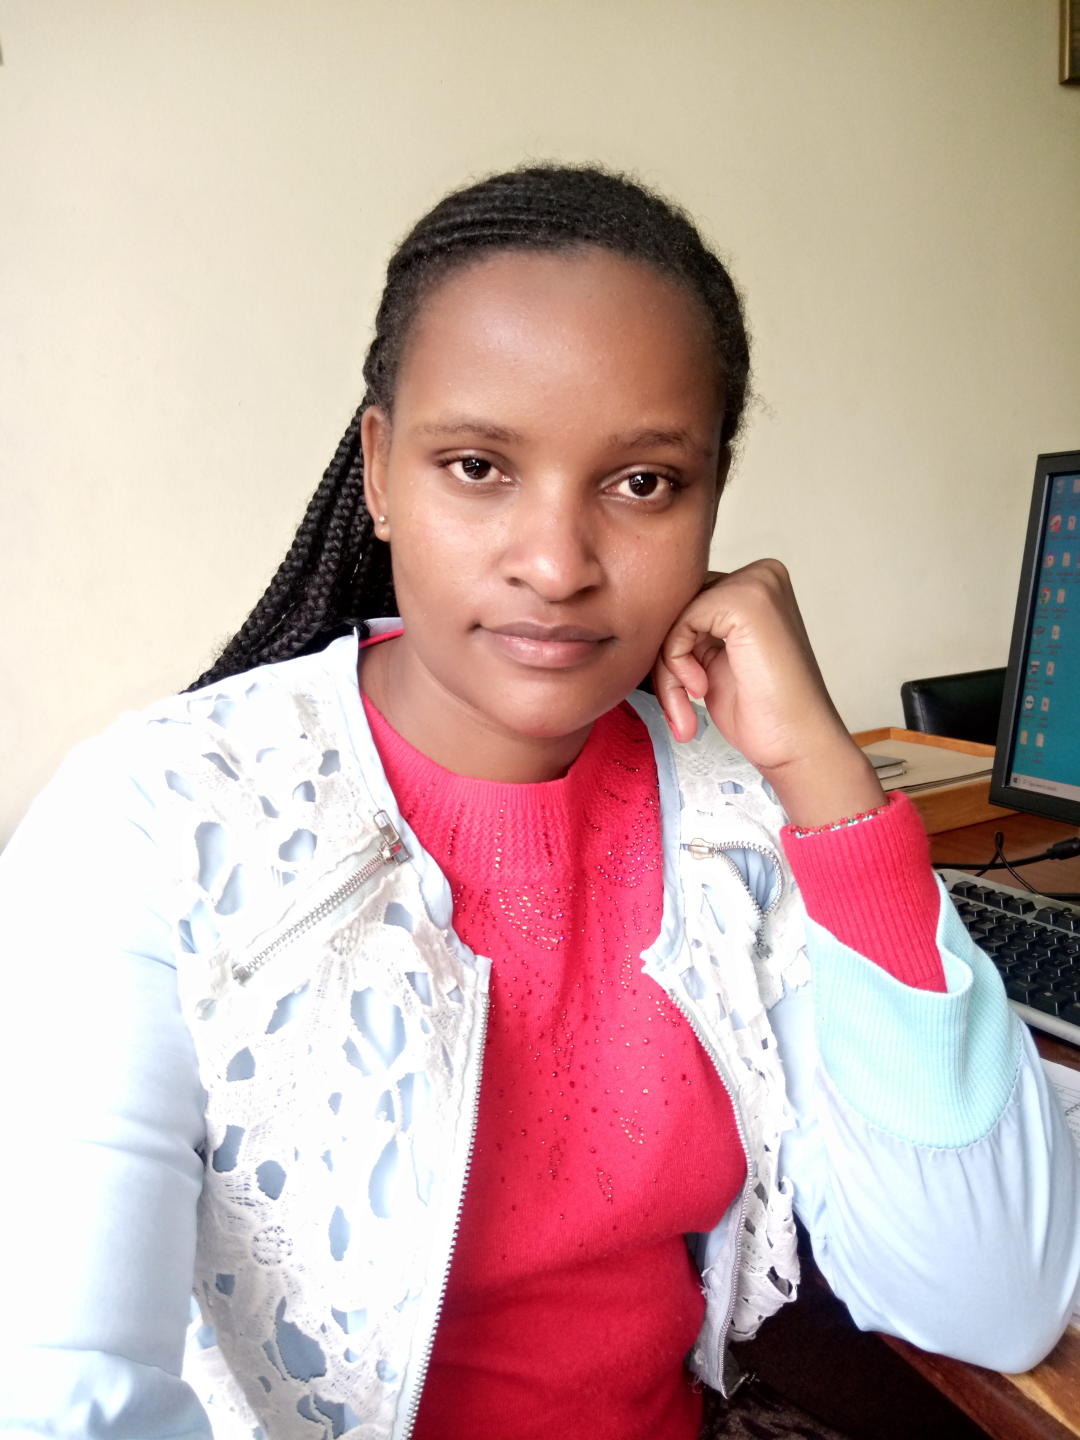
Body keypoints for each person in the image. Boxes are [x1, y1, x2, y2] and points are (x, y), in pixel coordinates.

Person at [0, 163, 1077, 1440]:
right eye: (477, 466)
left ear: (714, 493)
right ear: (380, 468)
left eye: (643, 483)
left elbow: (991, 1302)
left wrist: (829, 785)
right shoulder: (158, 820)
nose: (558, 564)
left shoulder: (732, 820)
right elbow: (61, 1395)